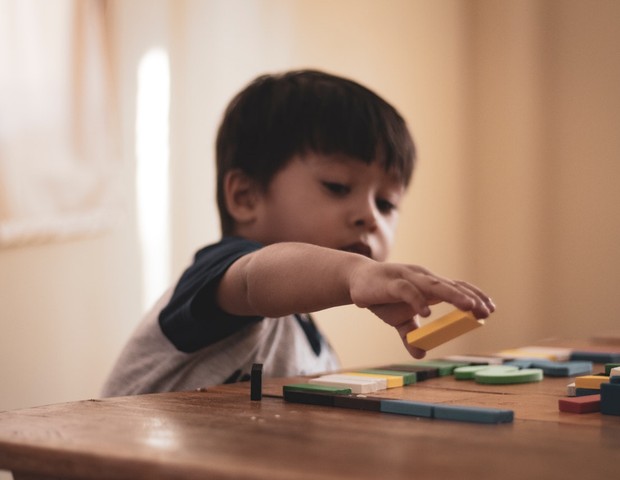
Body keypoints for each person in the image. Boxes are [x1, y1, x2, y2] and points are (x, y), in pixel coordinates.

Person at [101, 69, 495, 397]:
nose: (370, 217)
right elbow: (259, 278)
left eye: (387, 203)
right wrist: (353, 272)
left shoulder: (314, 348)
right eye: (338, 187)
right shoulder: (225, 278)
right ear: (246, 196)